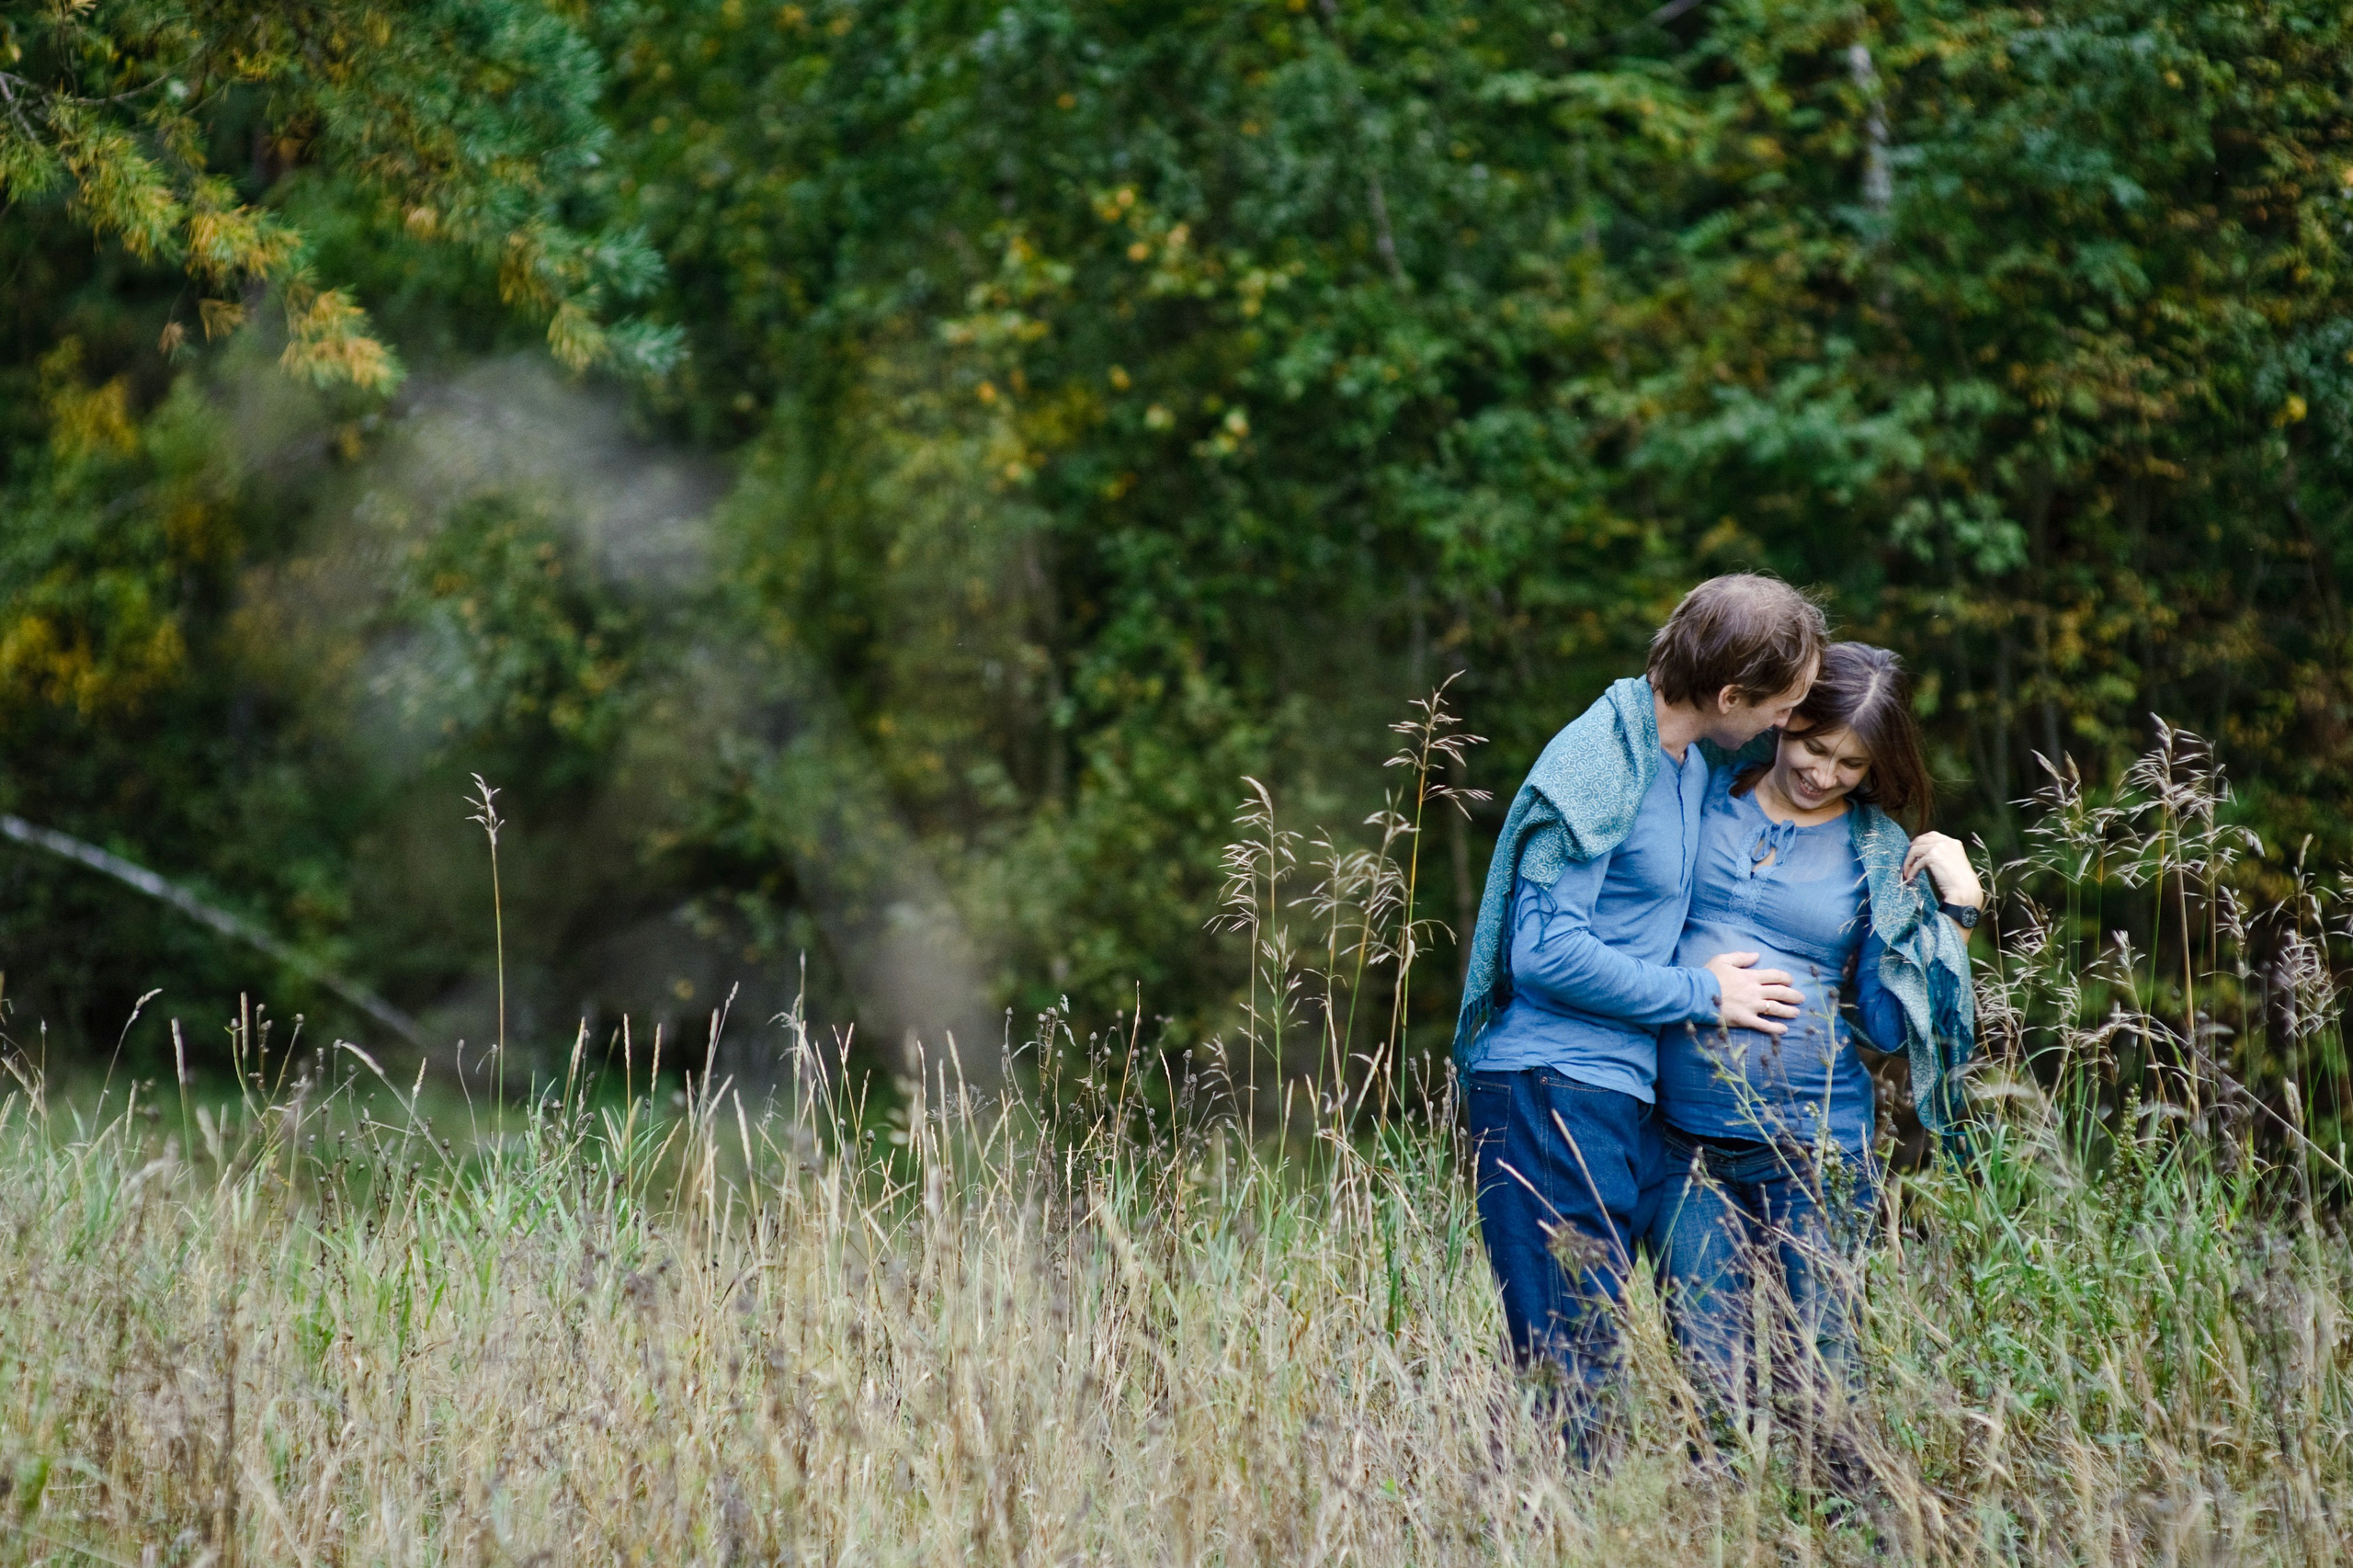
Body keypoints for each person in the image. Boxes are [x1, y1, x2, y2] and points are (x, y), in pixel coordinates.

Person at [1454, 573, 1826, 1455]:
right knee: (1573, 1375)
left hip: (1623, 1097)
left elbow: (1818, 775)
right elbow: (1541, 953)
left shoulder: (1685, 762)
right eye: (1782, 706)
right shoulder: (1598, 763)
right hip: (1548, 1091)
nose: (1787, 726)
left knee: (1628, 1363)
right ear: (1732, 695)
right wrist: (1706, 993)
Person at [1647, 642, 1980, 1441]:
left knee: (1824, 1381)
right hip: (1679, 1141)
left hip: (1816, 1148)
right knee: (1708, 1383)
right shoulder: (1698, 792)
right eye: (1814, 746)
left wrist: (1956, 914)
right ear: (1785, 718)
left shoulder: (1877, 858)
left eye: (1852, 764)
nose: (1824, 773)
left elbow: (1890, 1025)